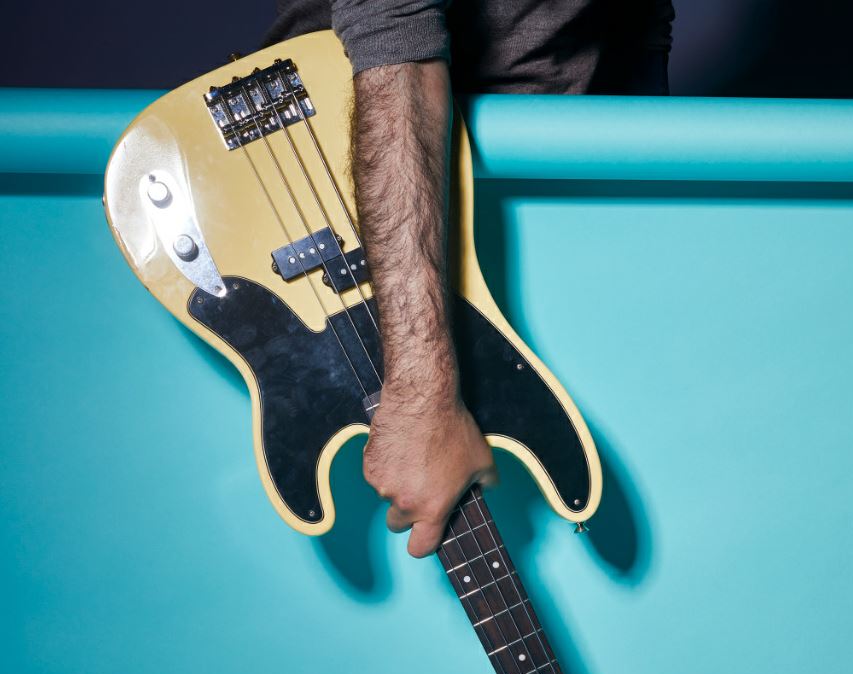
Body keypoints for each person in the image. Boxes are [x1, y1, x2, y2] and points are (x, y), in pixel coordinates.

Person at [263, 1, 673, 557]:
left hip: (541, 174)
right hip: (369, 178)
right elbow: (395, 41)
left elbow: (640, 25)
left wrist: (631, 193)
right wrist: (420, 398)